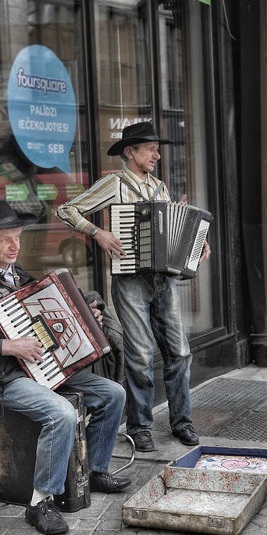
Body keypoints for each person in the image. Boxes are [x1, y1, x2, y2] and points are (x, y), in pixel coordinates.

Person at [0, 200, 131, 535]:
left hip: (42, 368)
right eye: (5, 239)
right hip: (2, 378)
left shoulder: (16, 275)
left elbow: (46, 318)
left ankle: (94, 471)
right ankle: (40, 502)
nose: (15, 245)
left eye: (17, 237)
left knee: (113, 393)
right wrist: (7, 346)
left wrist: (89, 316)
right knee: (61, 414)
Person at [57, 122, 210, 453]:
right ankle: (140, 425)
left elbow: (174, 237)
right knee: (140, 356)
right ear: (130, 152)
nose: (157, 154)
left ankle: (182, 420)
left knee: (180, 352)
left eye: (158, 149)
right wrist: (98, 233)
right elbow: (67, 209)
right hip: (130, 282)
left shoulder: (160, 188)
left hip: (163, 281)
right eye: (150, 148)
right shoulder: (114, 183)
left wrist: (196, 249)